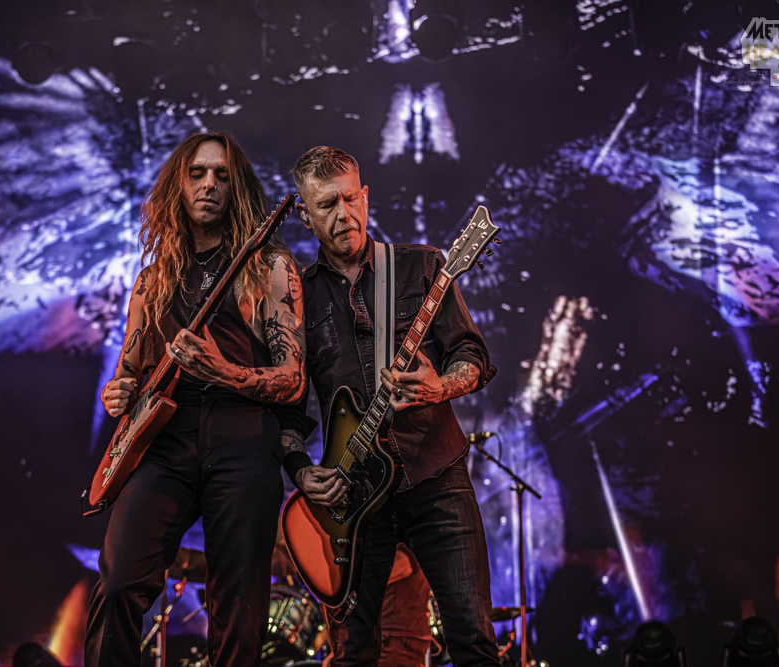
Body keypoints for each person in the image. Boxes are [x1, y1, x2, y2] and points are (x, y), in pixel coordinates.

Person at [85, 131, 305, 667]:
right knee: (116, 583)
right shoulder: (151, 281)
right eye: (198, 173)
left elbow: (292, 379)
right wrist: (119, 392)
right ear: (178, 186)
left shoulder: (269, 267)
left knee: (238, 610)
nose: (209, 184)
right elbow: (128, 373)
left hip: (243, 441)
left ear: (237, 188)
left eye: (222, 175)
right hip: (164, 443)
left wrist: (223, 371)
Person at [280, 146, 503, 666]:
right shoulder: (299, 299)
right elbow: (289, 406)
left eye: (350, 198)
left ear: (365, 196)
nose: (343, 214)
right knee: (355, 651)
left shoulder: (421, 266)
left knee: (472, 639)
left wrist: (438, 386)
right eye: (327, 204)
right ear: (305, 215)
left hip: (435, 475)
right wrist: (300, 469)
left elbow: (472, 355)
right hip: (355, 499)